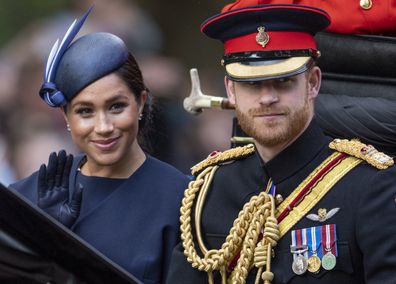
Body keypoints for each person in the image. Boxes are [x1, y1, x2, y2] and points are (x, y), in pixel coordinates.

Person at [166, 1, 396, 283]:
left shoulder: (371, 188)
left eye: (284, 81)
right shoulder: (208, 191)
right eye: (252, 84)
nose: (267, 98)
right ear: (231, 90)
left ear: (312, 83)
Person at [9, 8, 189, 284]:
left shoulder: (183, 200)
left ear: (141, 102)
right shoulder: (24, 200)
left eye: (116, 106)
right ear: (65, 117)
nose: (103, 126)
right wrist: (43, 241)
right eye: (85, 111)